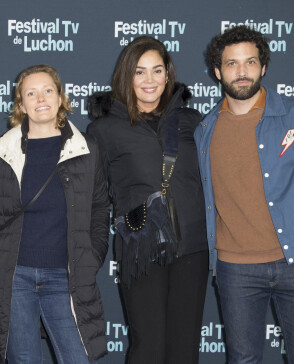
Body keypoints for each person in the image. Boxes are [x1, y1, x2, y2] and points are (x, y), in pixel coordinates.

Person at [195, 25, 294, 363]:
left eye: (250, 62)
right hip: (235, 268)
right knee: (243, 359)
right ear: (217, 72)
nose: (242, 71)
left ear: (263, 67)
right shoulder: (205, 130)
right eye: (232, 64)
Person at [0, 65, 110, 363]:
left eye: (48, 90)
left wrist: (93, 255)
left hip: (66, 276)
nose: (41, 99)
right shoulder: (0, 151)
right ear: (21, 104)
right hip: (14, 277)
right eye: (31, 93)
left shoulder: (86, 148)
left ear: (60, 96)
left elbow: (100, 208)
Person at [87, 36, 209, 364]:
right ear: (126, 76)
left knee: (184, 350)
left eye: (157, 71)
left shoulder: (192, 121)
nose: (149, 80)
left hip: (193, 248)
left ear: (168, 75)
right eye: (140, 72)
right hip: (141, 249)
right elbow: (94, 198)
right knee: (149, 347)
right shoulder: (103, 129)